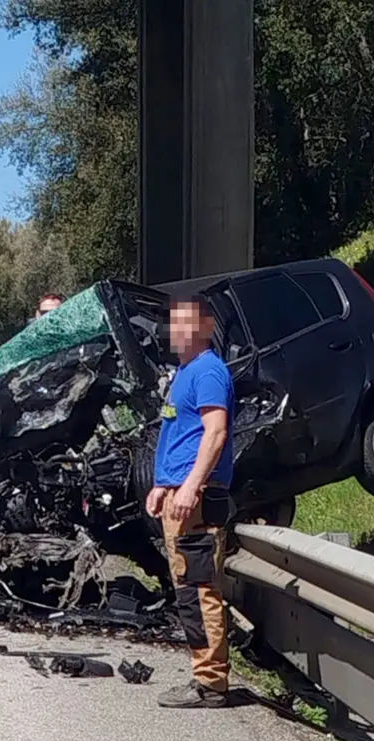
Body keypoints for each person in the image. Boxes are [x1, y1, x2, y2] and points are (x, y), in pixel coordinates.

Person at [144, 294, 235, 709]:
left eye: (185, 324)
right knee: (187, 589)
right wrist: (163, 483)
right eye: (173, 325)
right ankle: (203, 674)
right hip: (178, 497)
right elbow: (178, 437)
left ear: (205, 328)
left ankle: (211, 683)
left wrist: (191, 486)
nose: (176, 332)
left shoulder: (209, 372)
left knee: (200, 589)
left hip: (196, 501)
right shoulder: (184, 372)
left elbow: (214, 433)